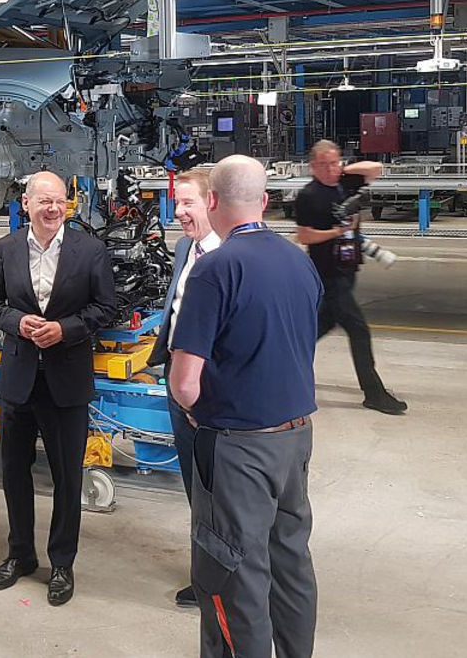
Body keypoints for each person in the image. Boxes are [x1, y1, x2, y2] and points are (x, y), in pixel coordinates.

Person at [170, 156, 322, 658]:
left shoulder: (214, 269)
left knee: (233, 573)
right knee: (291, 562)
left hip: (239, 448)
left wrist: (195, 412)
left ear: (212, 200)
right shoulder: (298, 259)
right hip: (295, 439)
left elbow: (185, 381)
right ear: (264, 200)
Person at [0, 171, 117, 607]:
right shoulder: (5, 249)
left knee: (65, 476)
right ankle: (20, 554)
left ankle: (61, 562)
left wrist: (65, 329)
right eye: (43, 201)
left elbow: (106, 308)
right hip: (19, 379)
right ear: (26, 204)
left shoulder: (90, 250)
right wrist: (17, 323)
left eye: (59, 201)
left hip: (66, 380)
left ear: (67, 205)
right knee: (14, 474)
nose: (52, 209)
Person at [147, 168, 221, 609]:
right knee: (195, 487)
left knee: (220, 489)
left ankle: (226, 579)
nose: (179, 213)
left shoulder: (229, 256)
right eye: (177, 203)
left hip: (210, 391)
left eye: (188, 203)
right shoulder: (183, 248)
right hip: (177, 380)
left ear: (213, 203)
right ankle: (206, 575)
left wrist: (202, 392)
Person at [294, 140, 407, 415]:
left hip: (348, 270)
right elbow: (304, 235)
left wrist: (342, 169)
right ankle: (374, 393)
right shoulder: (309, 195)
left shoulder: (346, 184)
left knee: (314, 330)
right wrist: (334, 232)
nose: (332, 169)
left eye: (336, 162)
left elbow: (377, 168)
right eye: (325, 164)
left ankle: (277, 367)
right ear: (314, 166)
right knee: (358, 330)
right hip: (328, 275)